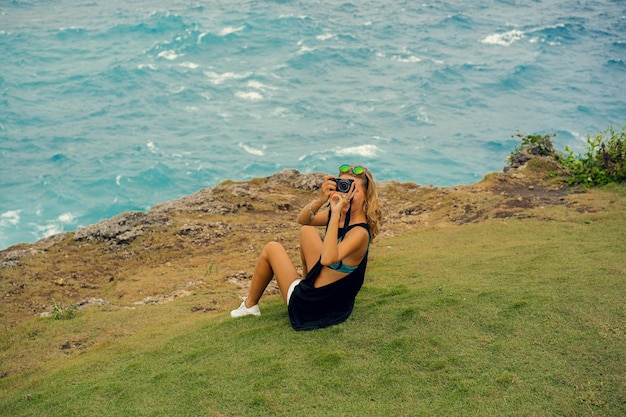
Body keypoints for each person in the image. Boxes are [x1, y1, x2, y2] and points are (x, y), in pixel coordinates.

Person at [230, 164, 382, 330]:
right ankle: (304, 283)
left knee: (271, 248)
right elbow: (303, 220)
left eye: (354, 190)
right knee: (307, 230)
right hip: (334, 303)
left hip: (311, 309)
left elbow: (327, 258)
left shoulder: (359, 232)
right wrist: (321, 200)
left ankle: (250, 305)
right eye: (344, 188)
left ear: (366, 195)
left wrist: (337, 212)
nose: (347, 194)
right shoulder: (341, 216)